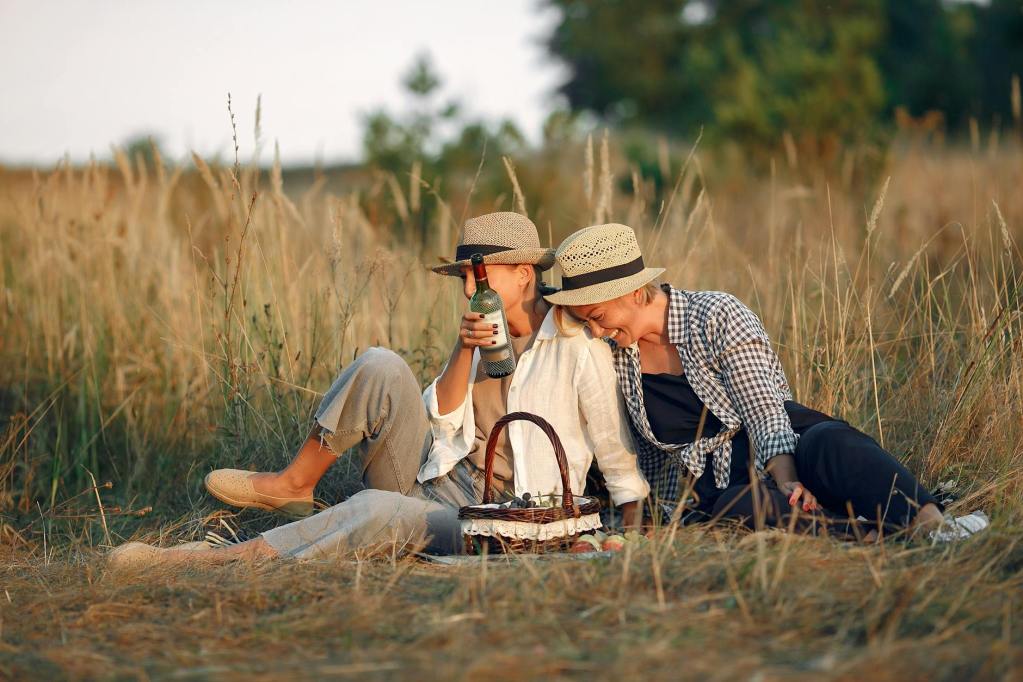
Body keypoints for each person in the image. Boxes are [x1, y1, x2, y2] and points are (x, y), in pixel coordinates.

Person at [109, 213, 648, 568]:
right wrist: (463, 350)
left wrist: (629, 530)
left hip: (497, 515)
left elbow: (614, 448)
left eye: (479, 276)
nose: (468, 288)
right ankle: (295, 482)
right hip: (433, 479)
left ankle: (215, 561)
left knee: (373, 510)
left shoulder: (576, 341)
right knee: (381, 363)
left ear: (525, 273)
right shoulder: (481, 328)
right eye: (462, 277)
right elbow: (442, 423)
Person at [544, 222, 988, 542]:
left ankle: (935, 525)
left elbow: (765, 412)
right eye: (587, 322)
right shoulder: (614, 354)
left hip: (780, 451)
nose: (596, 331)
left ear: (635, 294)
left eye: (598, 317)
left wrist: (788, 480)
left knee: (831, 444)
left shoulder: (715, 315)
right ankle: (869, 536)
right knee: (737, 510)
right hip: (714, 490)